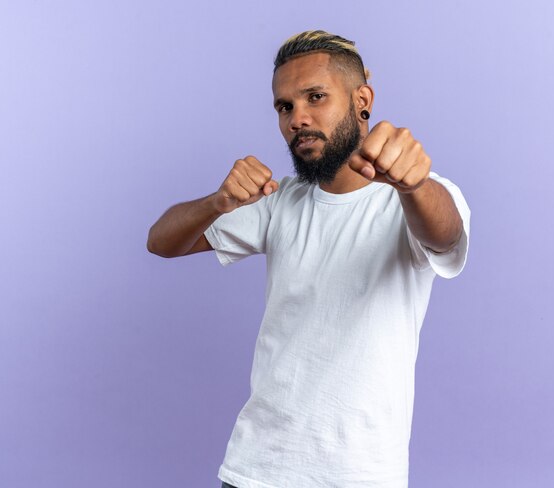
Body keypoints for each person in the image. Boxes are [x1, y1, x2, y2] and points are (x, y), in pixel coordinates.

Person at [147, 30, 470, 488]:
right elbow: (160, 241)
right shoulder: (279, 201)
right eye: (284, 107)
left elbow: (445, 236)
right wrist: (217, 202)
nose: (297, 118)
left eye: (315, 97)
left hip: (360, 474)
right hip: (255, 469)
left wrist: (414, 186)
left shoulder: (414, 197)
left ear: (362, 99)